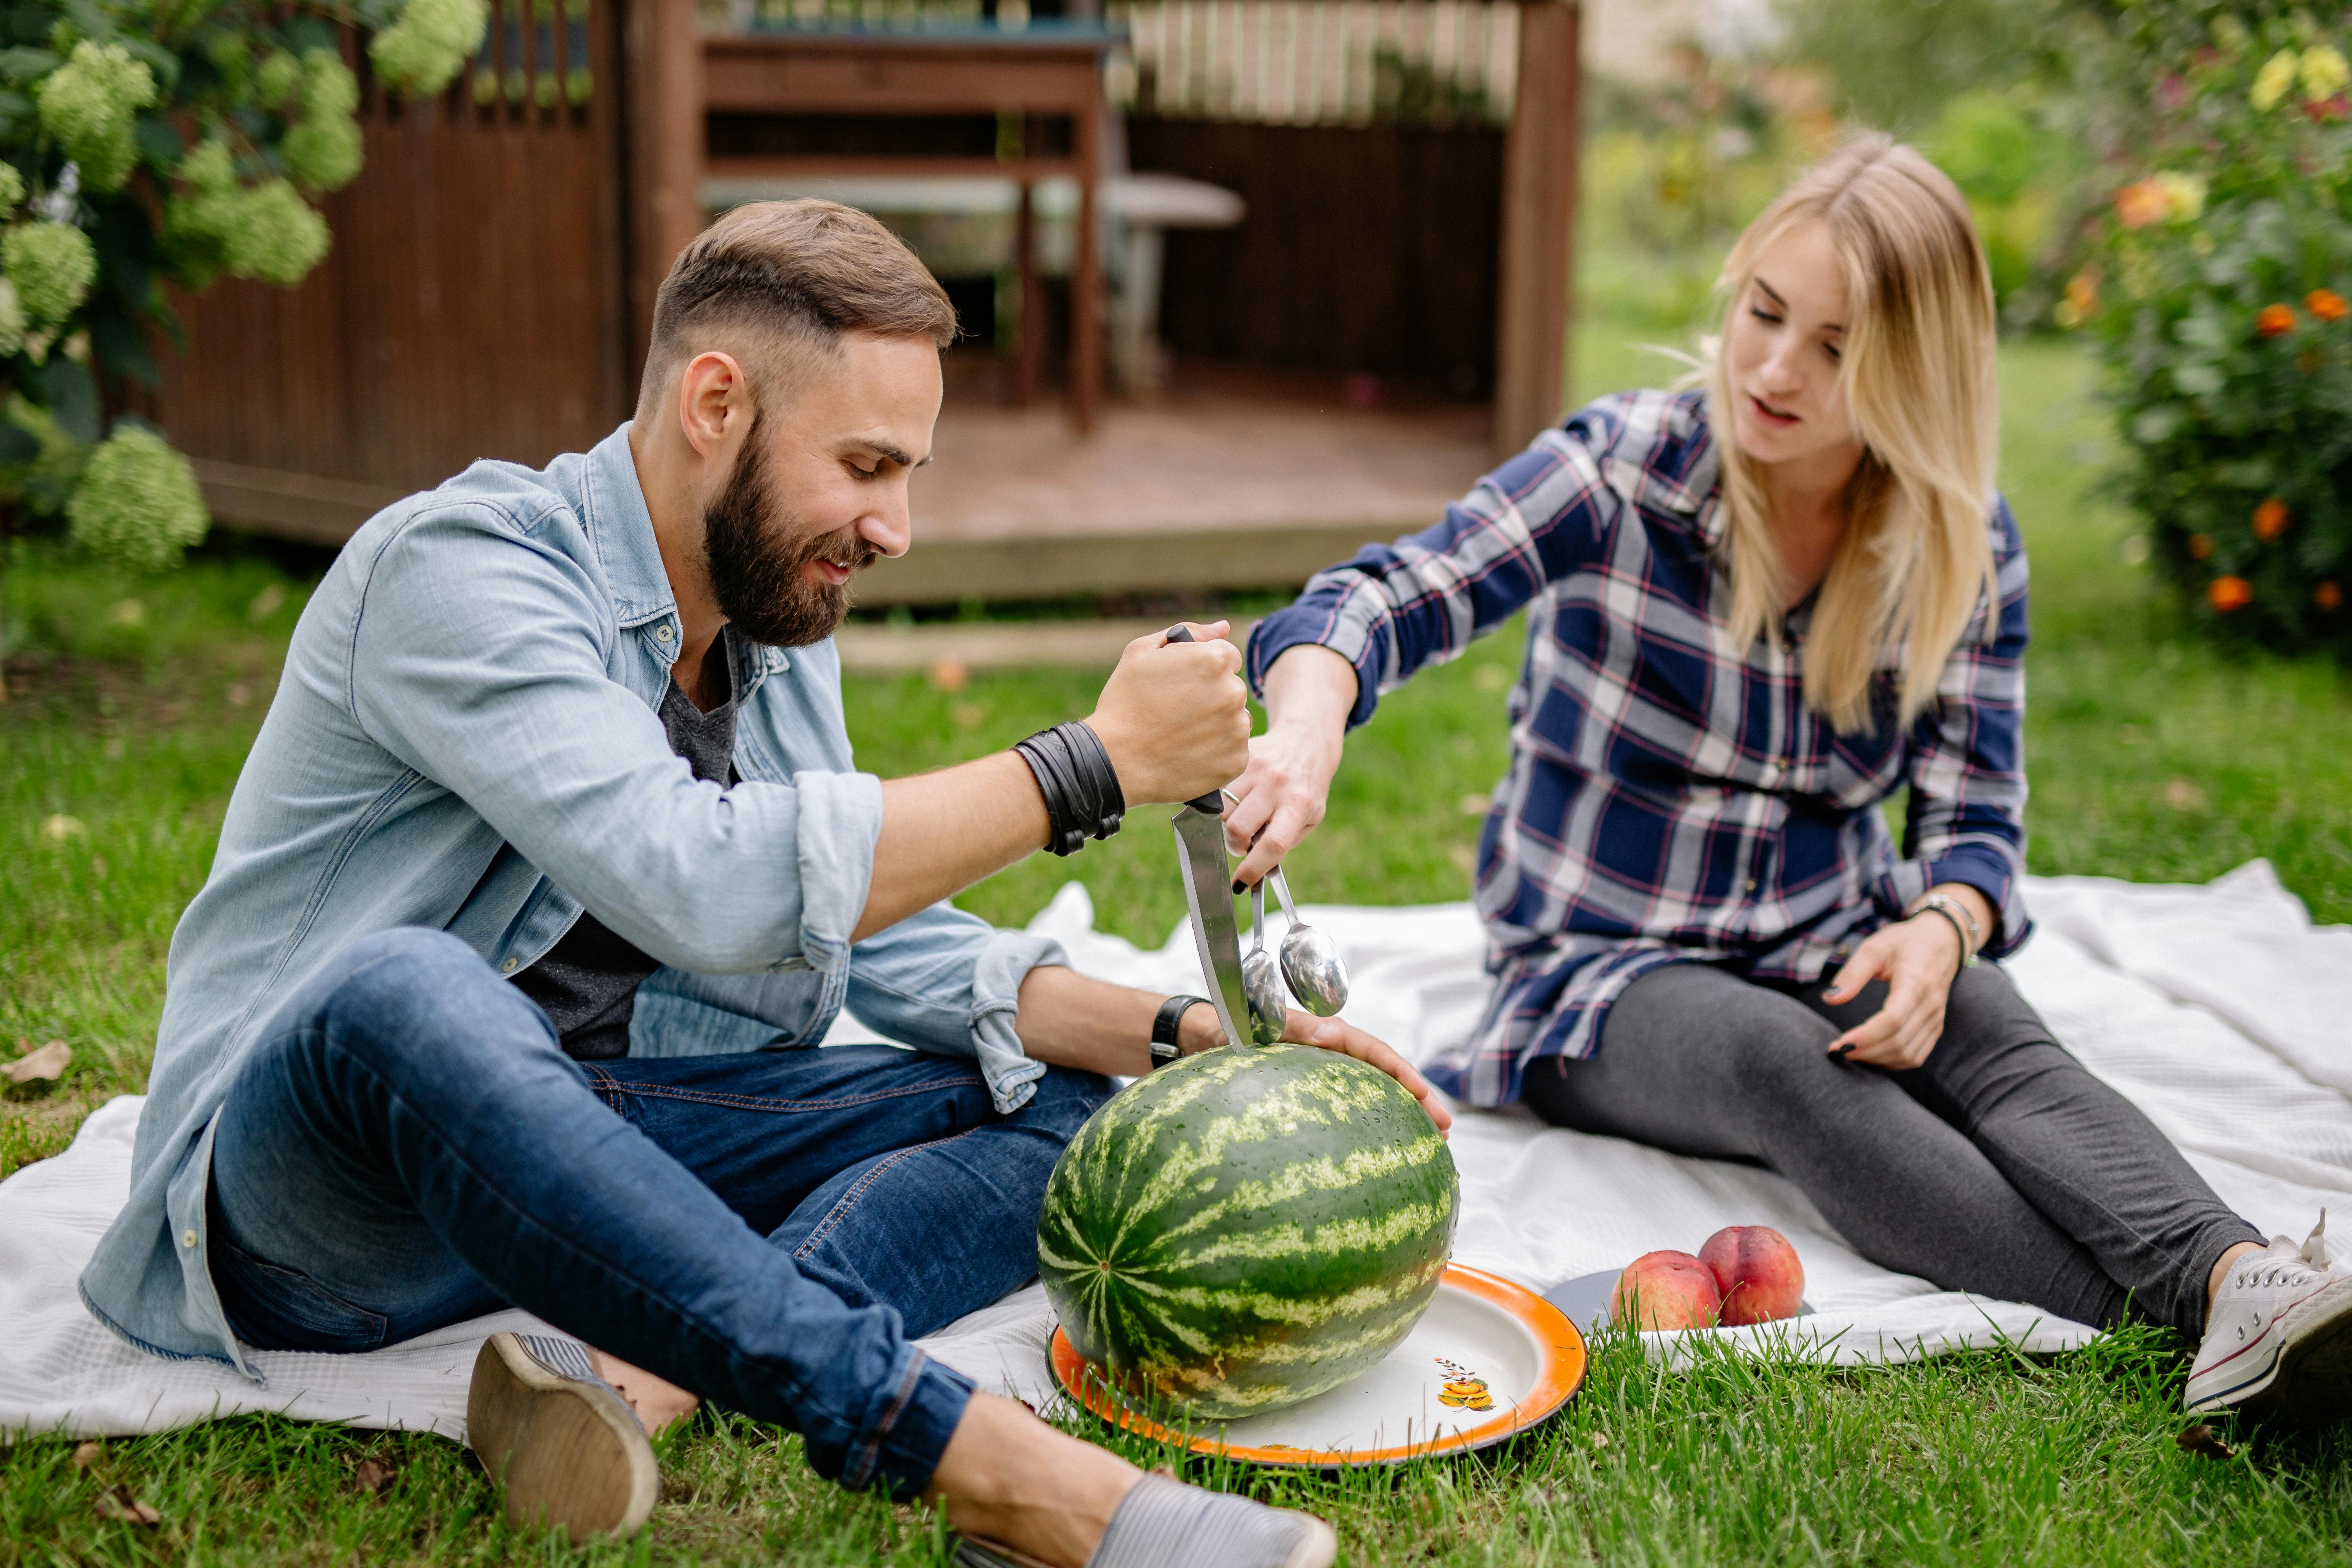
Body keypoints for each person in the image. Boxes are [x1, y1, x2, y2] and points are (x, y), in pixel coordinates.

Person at [78, 199, 1446, 1568]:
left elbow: (864, 934)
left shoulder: (770, 628)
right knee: (403, 991)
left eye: (909, 472)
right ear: (716, 403)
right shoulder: (458, 571)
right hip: (320, 1205)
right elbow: (701, 882)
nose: (896, 525)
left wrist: (1193, 1037)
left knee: (1065, 1110)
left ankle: (648, 1377)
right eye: (865, 464)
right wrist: (1089, 766)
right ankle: (989, 1468)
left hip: (594, 1150)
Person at [1225, 136, 2350, 1419]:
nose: (1773, 369)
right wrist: (1308, 725)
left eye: (1836, 346)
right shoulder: (1622, 471)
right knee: (1792, 1061)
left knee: (1991, 1027)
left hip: (1826, 928)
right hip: (1599, 976)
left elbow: (1975, 818)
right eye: (1765, 313)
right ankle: (2194, 1335)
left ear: (1915, 373)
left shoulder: (1959, 539)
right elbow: (1385, 595)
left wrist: (1942, 926)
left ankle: (2248, 1286)